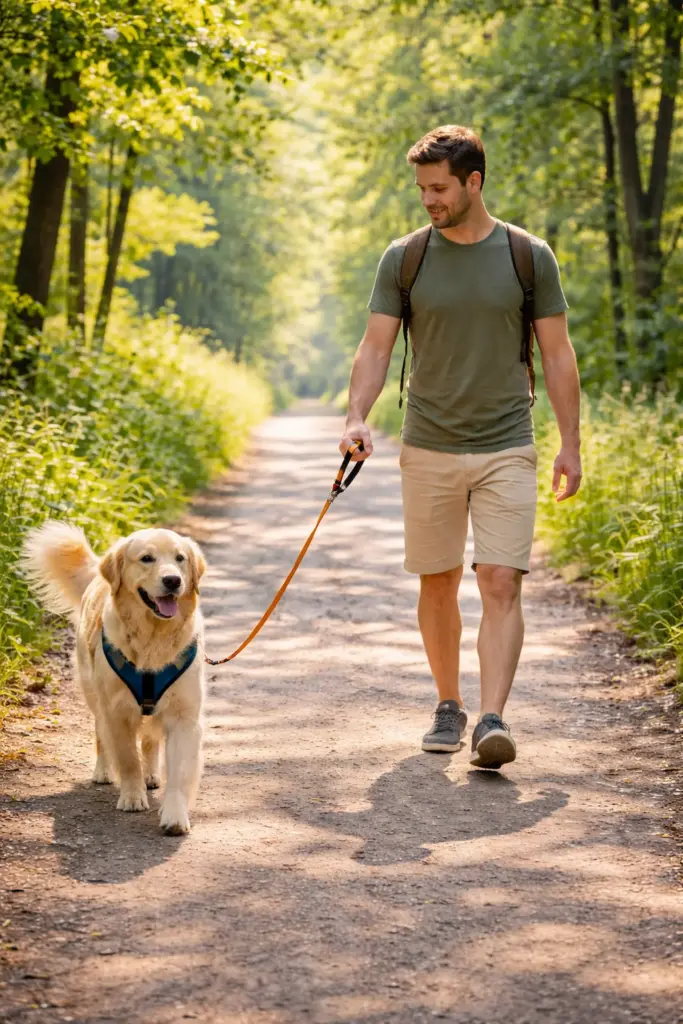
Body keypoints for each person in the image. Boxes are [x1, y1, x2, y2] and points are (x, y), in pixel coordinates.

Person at [339, 125, 582, 770]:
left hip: (508, 442)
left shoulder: (528, 256)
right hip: (429, 444)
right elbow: (375, 346)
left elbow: (557, 355)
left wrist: (571, 443)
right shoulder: (406, 258)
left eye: (440, 188)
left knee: (501, 580)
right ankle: (449, 704)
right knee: (440, 582)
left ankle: (493, 719)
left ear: (474, 182)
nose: (429, 200)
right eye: (422, 188)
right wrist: (357, 413)